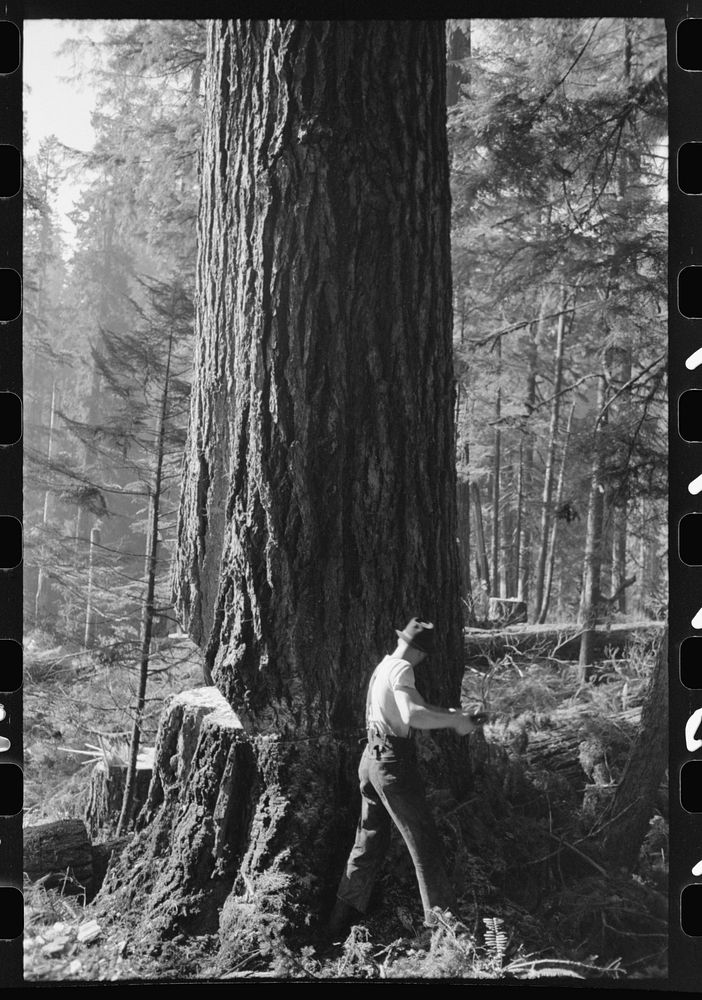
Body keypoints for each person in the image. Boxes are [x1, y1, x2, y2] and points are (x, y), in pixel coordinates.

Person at [328, 617, 485, 940]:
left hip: (370, 759)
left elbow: (413, 708)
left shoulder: (384, 666)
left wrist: (454, 715)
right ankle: (446, 936)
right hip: (392, 765)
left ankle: (335, 926)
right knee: (425, 845)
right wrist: (455, 724)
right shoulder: (403, 669)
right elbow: (412, 714)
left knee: (368, 842)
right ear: (420, 653)